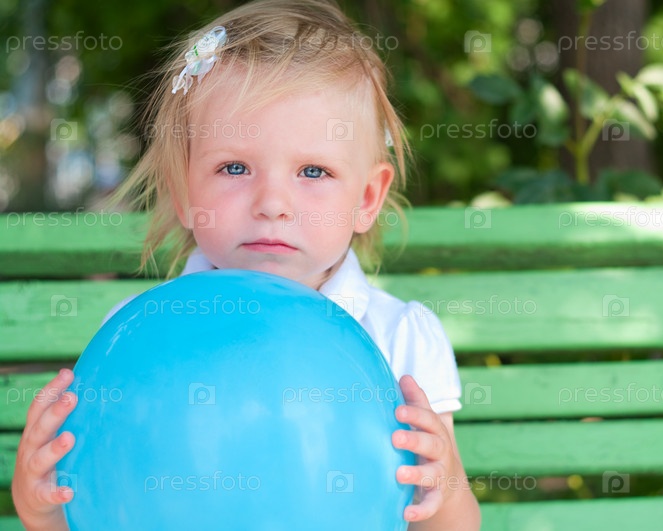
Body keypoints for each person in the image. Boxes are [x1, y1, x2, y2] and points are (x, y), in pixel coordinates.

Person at [11, 1, 481, 529]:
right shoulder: (135, 339)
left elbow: (452, 524)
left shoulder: (402, 340)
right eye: (234, 167)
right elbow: (101, 510)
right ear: (183, 191)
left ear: (367, 198)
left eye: (313, 171)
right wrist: (40, 507)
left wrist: (443, 487)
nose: (272, 203)